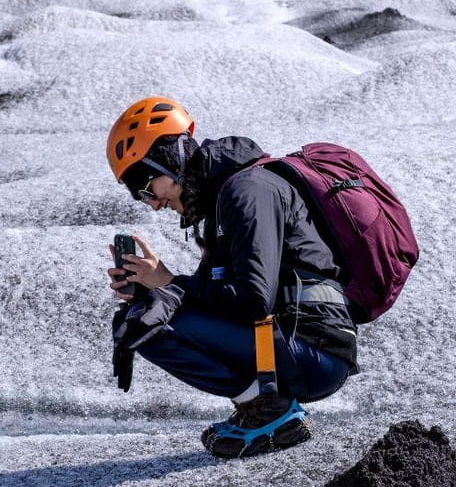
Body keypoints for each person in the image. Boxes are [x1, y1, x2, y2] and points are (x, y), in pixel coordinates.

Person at [106, 96, 358, 459]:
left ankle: (269, 410)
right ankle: (261, 406)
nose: (153, 204)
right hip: (295, 342)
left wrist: (167, 282)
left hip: (315, 351)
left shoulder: (248, 190)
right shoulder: (222, 201)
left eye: (147, 189)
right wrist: (150, 290)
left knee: (152, 323)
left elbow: (254, 299)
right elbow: (212, 298)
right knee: (141, 317)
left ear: (166, 159)